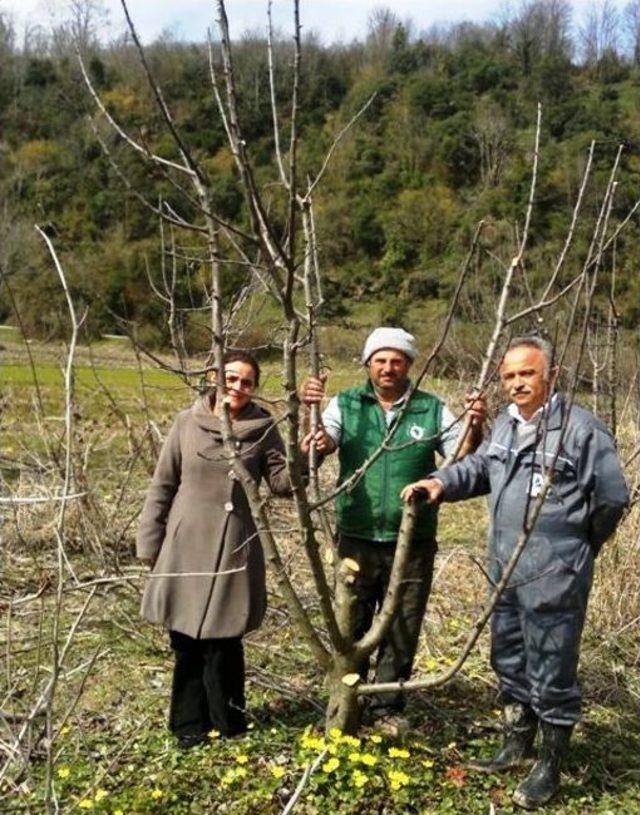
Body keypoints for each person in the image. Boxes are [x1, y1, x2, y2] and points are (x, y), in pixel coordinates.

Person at [401, 336, 629, 809]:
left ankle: (549, 765)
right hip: (503, 568)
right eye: (509, 376)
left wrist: (577, 544)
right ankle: (516, 741)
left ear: (551, 375)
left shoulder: (582, 431)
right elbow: (482, 468)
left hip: (556, 572)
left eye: (527, 373)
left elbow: (611, 498)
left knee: (552, 666)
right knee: (508, 656)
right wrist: (441, 481)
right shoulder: (506, 425)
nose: (517, 383)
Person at [301, 326, 486, 734]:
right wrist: (309, 414)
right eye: (380, 360)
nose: (388, 367)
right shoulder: (347, 403)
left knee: (402, 622)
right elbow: (322, 443)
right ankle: (346, 701)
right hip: (357, 534)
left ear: (409, 366)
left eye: (397, 360)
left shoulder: (429, 408)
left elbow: (463, 452)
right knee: (352, 622)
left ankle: (387, 706)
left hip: (413, 538)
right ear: (368, 364)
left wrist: (476, 423)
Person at [136, 350, 293, 748]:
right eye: (231, 379)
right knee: (186, 638)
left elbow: (282, 483)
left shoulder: (262, 426)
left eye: (247, 382)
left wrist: (310, 451)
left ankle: (229, 723)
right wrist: (150, 542)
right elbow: (162, 484)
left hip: (235, 544)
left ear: (255, 388)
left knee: (225, 638)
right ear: (213, 378)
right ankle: (188, 726)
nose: (238, 388)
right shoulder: (186, 423)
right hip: (186, 542)